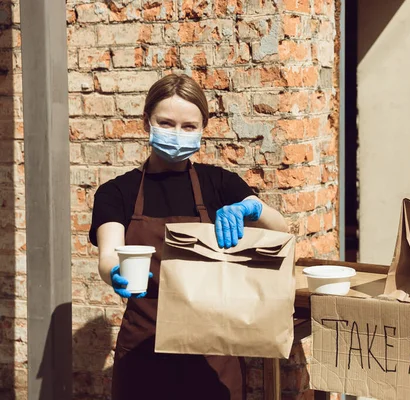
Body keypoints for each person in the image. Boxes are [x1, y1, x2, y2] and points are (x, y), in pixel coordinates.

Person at [88, 74, 288, 399]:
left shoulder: (219, 183)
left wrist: (252, 208)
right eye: (166, 123)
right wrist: (115, 272)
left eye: (188, 126)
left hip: (212, 350)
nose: (177, 134)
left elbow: (280, 231)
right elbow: (109, 253)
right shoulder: (116, 192)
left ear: (202, 129)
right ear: (146, 123)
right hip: (144, 349)